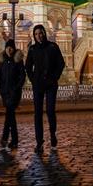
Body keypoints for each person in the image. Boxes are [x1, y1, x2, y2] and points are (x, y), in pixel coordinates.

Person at [25, 24, 65, 153]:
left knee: (50, 111)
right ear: (34, 35)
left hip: (51, 84)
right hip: (38, 85)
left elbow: (61, 63)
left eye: (40, 33)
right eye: (36, 34)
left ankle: (52, 134)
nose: (39, 36)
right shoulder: (32, 49)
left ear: (44, 33)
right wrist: (32, 79)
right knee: (37, 114)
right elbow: (28, 66)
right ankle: (39, 142)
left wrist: (55, 77)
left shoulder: (52, 47)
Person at [0, 39, 25, 149]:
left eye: (11, 47)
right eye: (8, 47)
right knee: (10, 116)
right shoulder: (2, 60)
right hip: (5, 92)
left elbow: (22, 76)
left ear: (14, 48)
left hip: (14, 93)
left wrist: (16, 88)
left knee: (10, 115)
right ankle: (13, 140)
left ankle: (7, 138)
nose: (9, 49)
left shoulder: (18, 60)